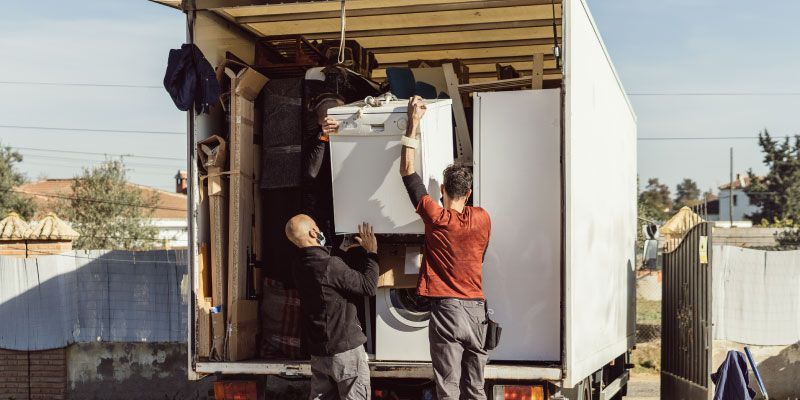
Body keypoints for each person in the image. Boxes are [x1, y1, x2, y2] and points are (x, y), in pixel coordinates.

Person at [399, 96, 492, 400]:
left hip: (448, 310)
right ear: (469, 193)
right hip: (476, 309)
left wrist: (413, 122)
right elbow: (481, 254)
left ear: (441, 190)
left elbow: (407, 171)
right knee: (475, 389)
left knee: (448, 389)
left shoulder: (436, 217)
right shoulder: (482, 218)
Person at [286, 214, 378, 400]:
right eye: (317, 227)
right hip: (345, 349)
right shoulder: (330, 265)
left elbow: (327, 280)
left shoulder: (299, 266)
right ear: (313, 232)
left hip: (319, 352)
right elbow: (368, 287)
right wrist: (372, 252)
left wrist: (342, 251)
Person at [303, 93, 345, 240]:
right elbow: (312, 172)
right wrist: (324, 136)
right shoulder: (315, 136)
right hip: (321, 206)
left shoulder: (345, 134)